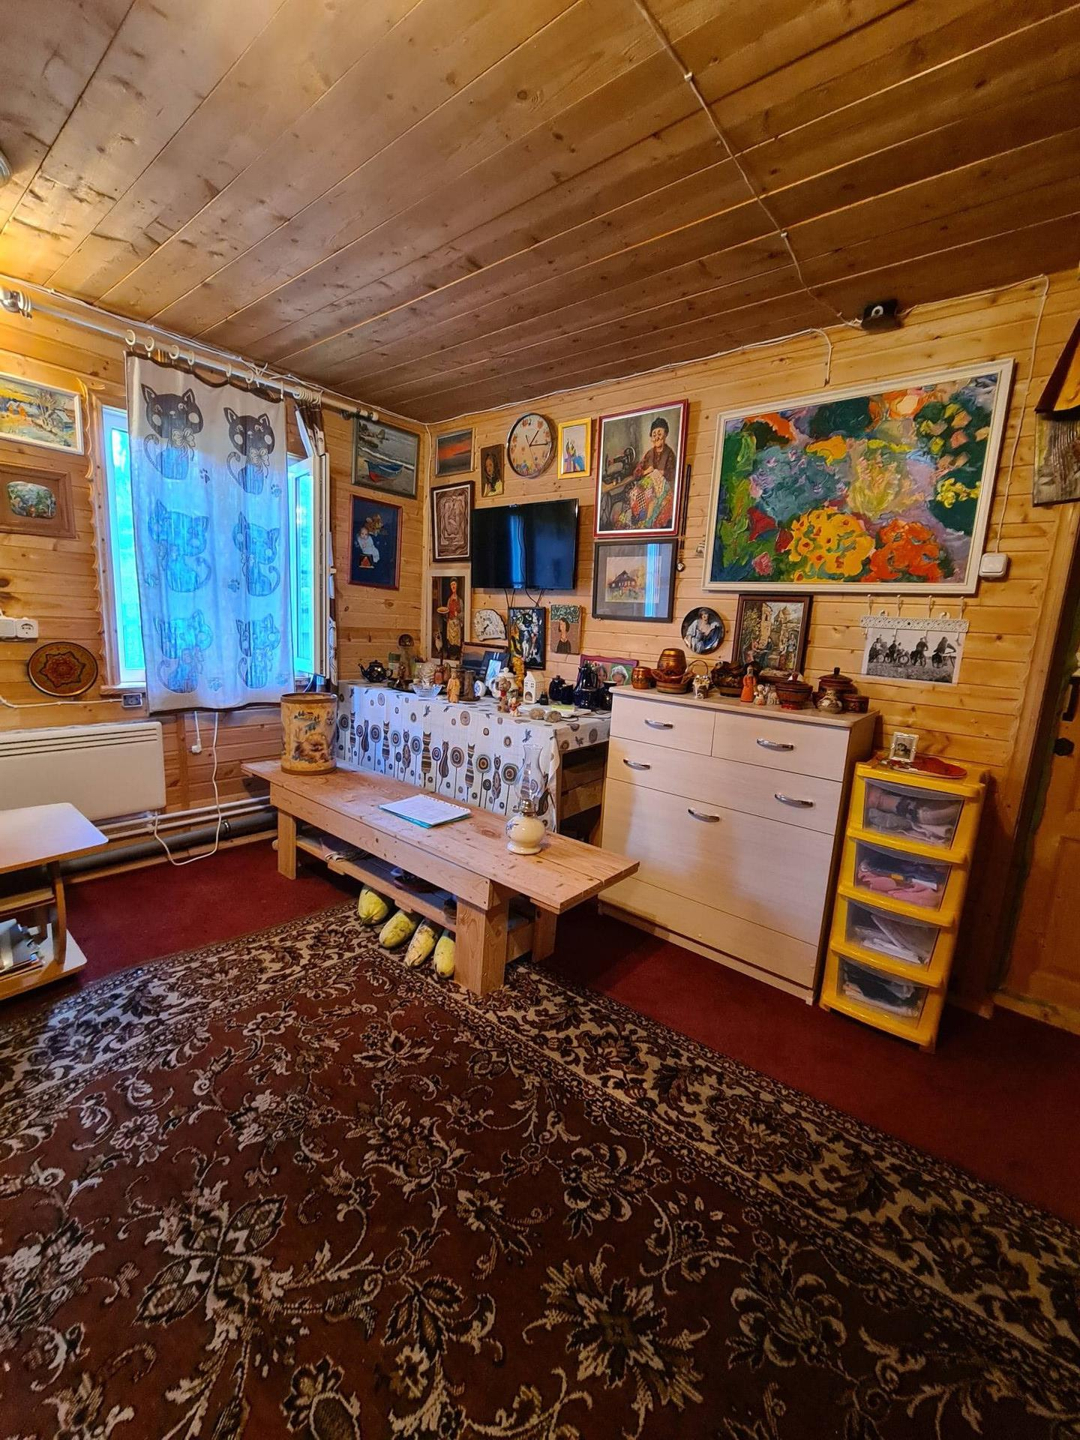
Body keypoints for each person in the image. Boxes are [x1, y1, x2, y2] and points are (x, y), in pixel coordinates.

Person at [625, 416, 677, 528]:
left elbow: (674, 474)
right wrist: (645, 472)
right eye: (654, 435)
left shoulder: (669, 454)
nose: (657, 437)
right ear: (651, 438)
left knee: (652, 498)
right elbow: (636, 474)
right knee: (635, 492)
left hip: (662, 489)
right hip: (647, 487)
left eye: (659, 434)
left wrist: (662, 472)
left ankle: (647, 521)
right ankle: (640, 517)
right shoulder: (649, 454)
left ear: (666, 434)